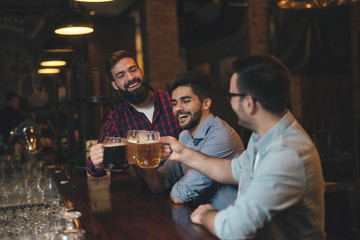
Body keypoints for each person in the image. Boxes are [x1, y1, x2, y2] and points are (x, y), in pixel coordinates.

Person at [161, 55, 326, 239]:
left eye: (231, 96)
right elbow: (232, 170)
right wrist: (183, 154)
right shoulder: (263, 135)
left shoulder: (286, 153)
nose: (230, 102)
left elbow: (237, 228)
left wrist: (206, 215)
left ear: (248, 103)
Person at [142, 71, 245, 209]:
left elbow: (180, 195)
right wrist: (144, 158)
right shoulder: (184, 135)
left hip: (231, 223)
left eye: (186, 101)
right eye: (174, 103)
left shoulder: (220, 135)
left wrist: (177, 185)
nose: (178, 108)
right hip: (201, 218)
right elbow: (158, 185)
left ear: (206, 104)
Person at [86, 50, 179, 177]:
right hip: (149, 192)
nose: (130, 77)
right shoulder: (116, 119)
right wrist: (96, 163)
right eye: (121, 75)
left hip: (189, 186)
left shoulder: (172, 100)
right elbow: (93, 169)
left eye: (133, 70)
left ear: (141, 71)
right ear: (115, 85)